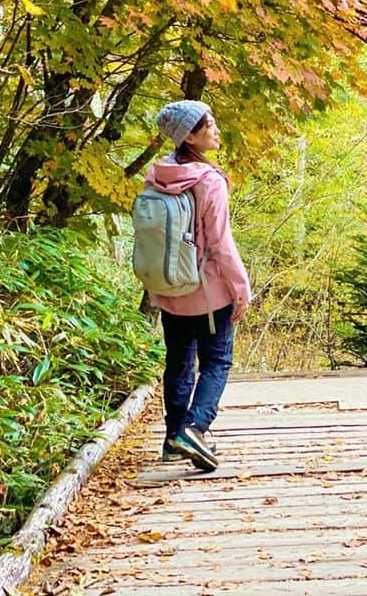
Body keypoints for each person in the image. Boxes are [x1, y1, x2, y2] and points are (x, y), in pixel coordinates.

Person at [144, 100, 251, 472]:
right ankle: (194, 428)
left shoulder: (156, 176)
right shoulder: (209, 182)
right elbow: (221, 243)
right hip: (207, 294)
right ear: (189, 136)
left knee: (178, 363)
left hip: (169, 288)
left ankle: (173, 441)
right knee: (217, 361)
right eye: (209, 125)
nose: (216, 129)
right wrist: (241, 289)